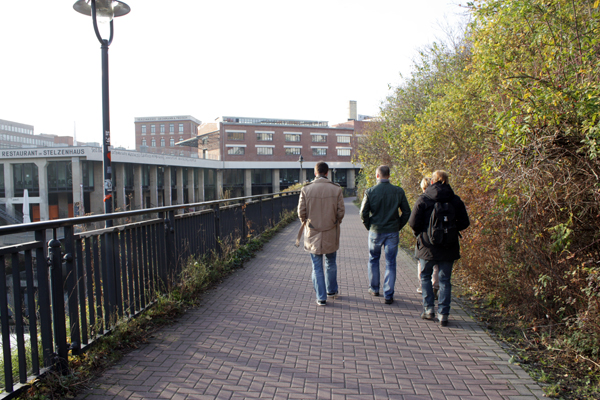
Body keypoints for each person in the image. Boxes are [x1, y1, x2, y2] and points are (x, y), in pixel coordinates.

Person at [408, 170, 470, 326]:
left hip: (427, 246)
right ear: (447, 181)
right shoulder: (455, 200)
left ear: (432, 181)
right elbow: (464, 223)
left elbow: (413, 222)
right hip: (448, 247)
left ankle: (428, 309)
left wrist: (420, 234)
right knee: (445, 281)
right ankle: (444, 314)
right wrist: (452, 230)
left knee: (425, 277)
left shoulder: (423, 199)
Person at [360, 165, 411, 305]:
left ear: (377, 175)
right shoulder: (398, 191)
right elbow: (407, 212)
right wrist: (398, 225)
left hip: (376, 231)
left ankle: (374, 288)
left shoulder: (370, 192)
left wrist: (369, 225)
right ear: (389, 176)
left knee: (373, 259)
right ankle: (388, 294)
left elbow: (363, 213)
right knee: (391, 262)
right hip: (392, 231)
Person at [297, 161, 345, 306]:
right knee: (331, 262)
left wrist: (307, 224)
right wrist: (335, 223)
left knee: (316, 266)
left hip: (313, 232)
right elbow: (341, 212)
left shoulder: (306, 189)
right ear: (327, 172)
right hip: (331, 231)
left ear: (315, 173)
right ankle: (331, 291)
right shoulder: (336, 189)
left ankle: (321, 297)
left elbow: (301, 212)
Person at [415, 177, 439, 298]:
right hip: (440, 236)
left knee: (422, 262)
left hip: (424, 237)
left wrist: (417, 232)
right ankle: (435, 287)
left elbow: (413, 221)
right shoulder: (442, 199)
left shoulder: (422, 200)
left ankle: (423, 286)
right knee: (436, 265)